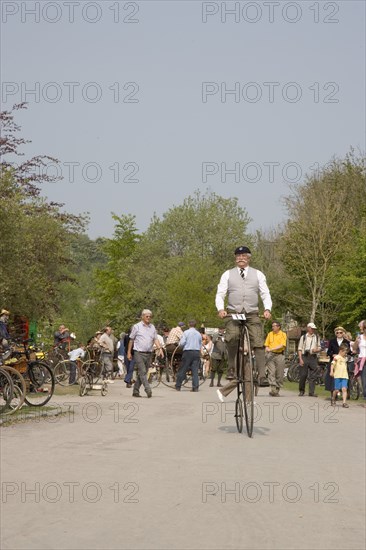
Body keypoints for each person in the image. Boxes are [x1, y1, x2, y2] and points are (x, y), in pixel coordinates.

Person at [215, 246, 272, 401]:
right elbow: (220, 293)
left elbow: (265, 293)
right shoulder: (227, 274)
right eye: (238, 256)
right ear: (235, 258)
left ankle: (261, 375)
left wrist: (267, 309)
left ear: (249, 258)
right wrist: (221, 309)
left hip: (252, 313)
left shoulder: (258, 274)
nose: (241, 258)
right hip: (234, 313)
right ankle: (232, 368)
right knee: (232, 337)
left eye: (244, 255)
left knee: (258, 341)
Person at [127, 310, 163, 398]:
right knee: (143, 372)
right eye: (147, 316)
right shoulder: (137, 327)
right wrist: (128, 352)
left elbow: (155, 339)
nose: (148, 318)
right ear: (142, 317)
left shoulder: (152, 327)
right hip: (138, 352)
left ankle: (135, 391)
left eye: (150, 316)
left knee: (144, 372)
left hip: (149, 353)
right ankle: (148, 389)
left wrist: (160, 349)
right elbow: (131, 340)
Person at [175, 320, 202, 392]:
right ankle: (195, 387)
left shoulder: (186, 332)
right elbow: (200, 345)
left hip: (188, 352)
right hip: (196, 352)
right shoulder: (198, 334)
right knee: (195, 370)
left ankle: (178, 386)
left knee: (183, 369)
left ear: (188, 325)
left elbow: (182, 343)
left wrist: (179, 345)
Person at [325, 327, 350, 400]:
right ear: (335, 333)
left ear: (343, 333)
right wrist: (332, 355)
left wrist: (346, 355)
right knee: (333, 378)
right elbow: (328, 352)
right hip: (334, 361)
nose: (339, 334)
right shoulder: (332, 341)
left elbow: (349, 352)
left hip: (342, 363)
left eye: (341, 332)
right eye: (337, 332)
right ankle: (334, 395)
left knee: (343, 377)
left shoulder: (346, 342)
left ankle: (344, 394)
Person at [298, 323, 321, 397]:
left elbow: (319, 347)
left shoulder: (317, 337)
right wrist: (300, 359)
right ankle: (301, 390)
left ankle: (311, 392)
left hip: (313, 357)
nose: (313, 330)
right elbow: (300, 349)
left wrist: (316, 350)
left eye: (313, 329)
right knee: (303, 375)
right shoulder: (303, 337)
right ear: (308, 328)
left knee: (313, 375)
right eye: (312, 328)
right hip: (305, 355)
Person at [264, 321, 287, 396]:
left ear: (278, 327)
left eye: (274, 326)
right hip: (270, 355)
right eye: (272, 326)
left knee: (280, 374)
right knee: (271, 372)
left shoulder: (283, 334)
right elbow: (266, 344)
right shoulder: (270, 334)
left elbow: (282, 345)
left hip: (279, 355)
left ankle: (277, 389)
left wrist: (271, 349)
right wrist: (267, 348)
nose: (272, 327)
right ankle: (273, 389)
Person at [353, 320, 366, 404]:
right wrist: (356, 342)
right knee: (365, 380)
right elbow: (354, 348)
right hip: (363, 361)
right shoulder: (359, 337)